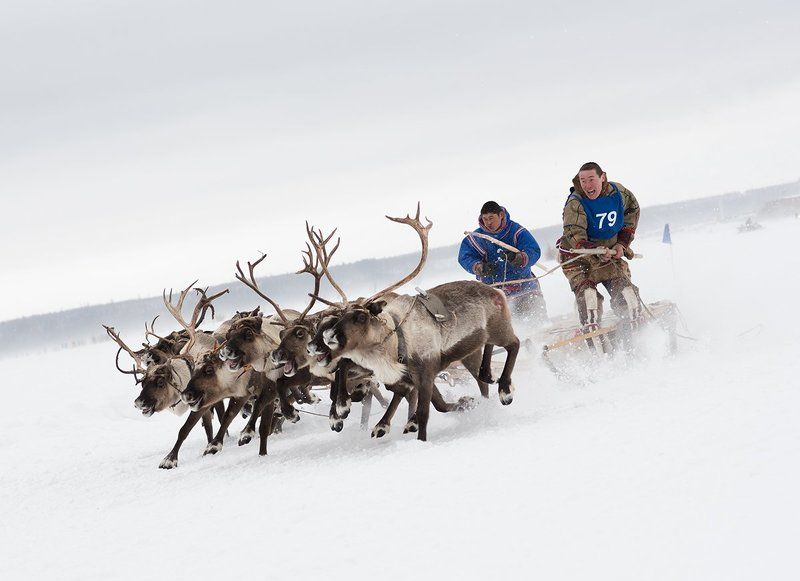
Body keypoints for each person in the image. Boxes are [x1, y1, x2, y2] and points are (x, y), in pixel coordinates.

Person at [558, 162, 641, 330]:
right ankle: (593, 334)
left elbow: (632, 212)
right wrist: (596, 251)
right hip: (579, 259)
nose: (587, 186)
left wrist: (622, 244)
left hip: (610, 256)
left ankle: (633, 332)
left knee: (627, 294)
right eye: (583, 181)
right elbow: (575, 234)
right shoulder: (575, 203)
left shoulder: (619, 193)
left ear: (602, 177)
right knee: (589, 300)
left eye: (591, 179)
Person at [458, 201, 548, 325]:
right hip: (494, 294)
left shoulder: (517, 231)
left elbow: (533, 250)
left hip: (525, 288)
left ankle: (544, 342)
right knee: (501, 332)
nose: (488, 223)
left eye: (491, 218)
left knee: (538, 322)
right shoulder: (476, 238)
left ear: (501, 215)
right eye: (485, 219)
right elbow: (465, 257)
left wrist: (519, 258)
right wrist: (479, 267)